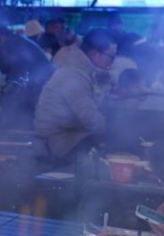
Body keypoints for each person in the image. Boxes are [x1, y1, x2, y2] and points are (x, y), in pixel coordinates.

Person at [33, 29, 115, 159]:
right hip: (56, 142)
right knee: (114, 140)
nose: (112, 62)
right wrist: (116, 129)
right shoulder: (73, 75)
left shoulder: (79, 71)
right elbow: (91, 120)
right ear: (94, 54)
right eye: (111, 57)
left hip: (66, 137)